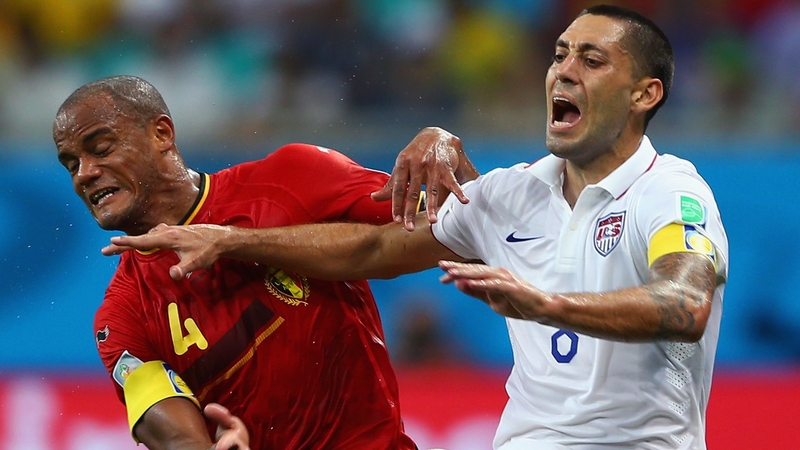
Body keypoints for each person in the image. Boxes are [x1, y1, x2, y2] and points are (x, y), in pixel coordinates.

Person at [106, 5, 730, 449]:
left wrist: (549, 305)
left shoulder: (672, 194)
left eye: (592, 60)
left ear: (646, 94)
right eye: (560, 54)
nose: (563, 71)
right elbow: (376, 244)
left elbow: (684, 302)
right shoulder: (512, 193)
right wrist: (231, 239)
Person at [53, 75, 479, 449]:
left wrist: (444, 147)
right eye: (71, 164)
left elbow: (466, 230)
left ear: (161, 134)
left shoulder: (295, 176)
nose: (84, 173)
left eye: (101, 148)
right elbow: (176, 436)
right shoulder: (121, 319)